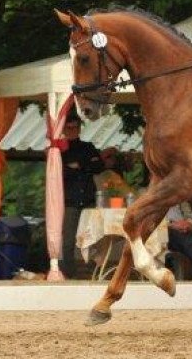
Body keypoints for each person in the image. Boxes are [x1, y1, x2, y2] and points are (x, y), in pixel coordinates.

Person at [61, 110, 104, 278]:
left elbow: (99, 166)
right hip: (70, 200)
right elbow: (62, 173)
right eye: (69, 127)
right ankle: (68, 273)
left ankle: (95, 269)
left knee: (94, 236)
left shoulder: (88, 146)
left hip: (87, 198)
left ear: (79, 129)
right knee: (68, 240)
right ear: (64, 129)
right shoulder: (60, 151)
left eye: (75, 127)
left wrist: (79, 166)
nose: (72, 130)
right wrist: (86, 165)